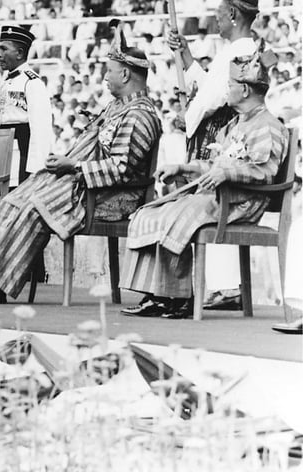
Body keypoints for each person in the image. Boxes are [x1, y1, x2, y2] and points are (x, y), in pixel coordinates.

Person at [0, 37, 162, 303]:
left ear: (125, 74)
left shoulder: (139, 115)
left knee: (34, 207)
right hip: (87, 185)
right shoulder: (118, 107)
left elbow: (120, 169)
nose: (105, 78)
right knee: (14, 200)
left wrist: (74, 165)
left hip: (111, 197)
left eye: (109, 71)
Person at [121, 48, 288, 319]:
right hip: (221, 197)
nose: (226, 89)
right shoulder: (236, 124)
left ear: (244, 90)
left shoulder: (267, 125)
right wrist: (184, 167)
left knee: (177, 215)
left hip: (241, 201)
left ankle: (179, 297)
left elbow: (264, 171)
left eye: (230, 84)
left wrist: (229, 175)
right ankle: (161, 295)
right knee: (152, 212)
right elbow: (214, 164)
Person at [167, 0, 260, 312]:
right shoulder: (234, 50)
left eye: (219, 14)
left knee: (208, 207)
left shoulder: (239, 51)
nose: (215, 21)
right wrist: (185, 54)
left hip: (220, 136)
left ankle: (223, 286)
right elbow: (208, 86)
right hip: (216, 132)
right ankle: (222, 286)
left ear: (233, 14)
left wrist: (186, 115)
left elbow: (211, 98)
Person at [0, 25, 53, 183]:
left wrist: (37, 168)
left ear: (19, 53)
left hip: (22, 153)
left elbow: (41, 128)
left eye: (4, 49)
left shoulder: (32, 82)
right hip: (4, 150)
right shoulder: (7, 81)